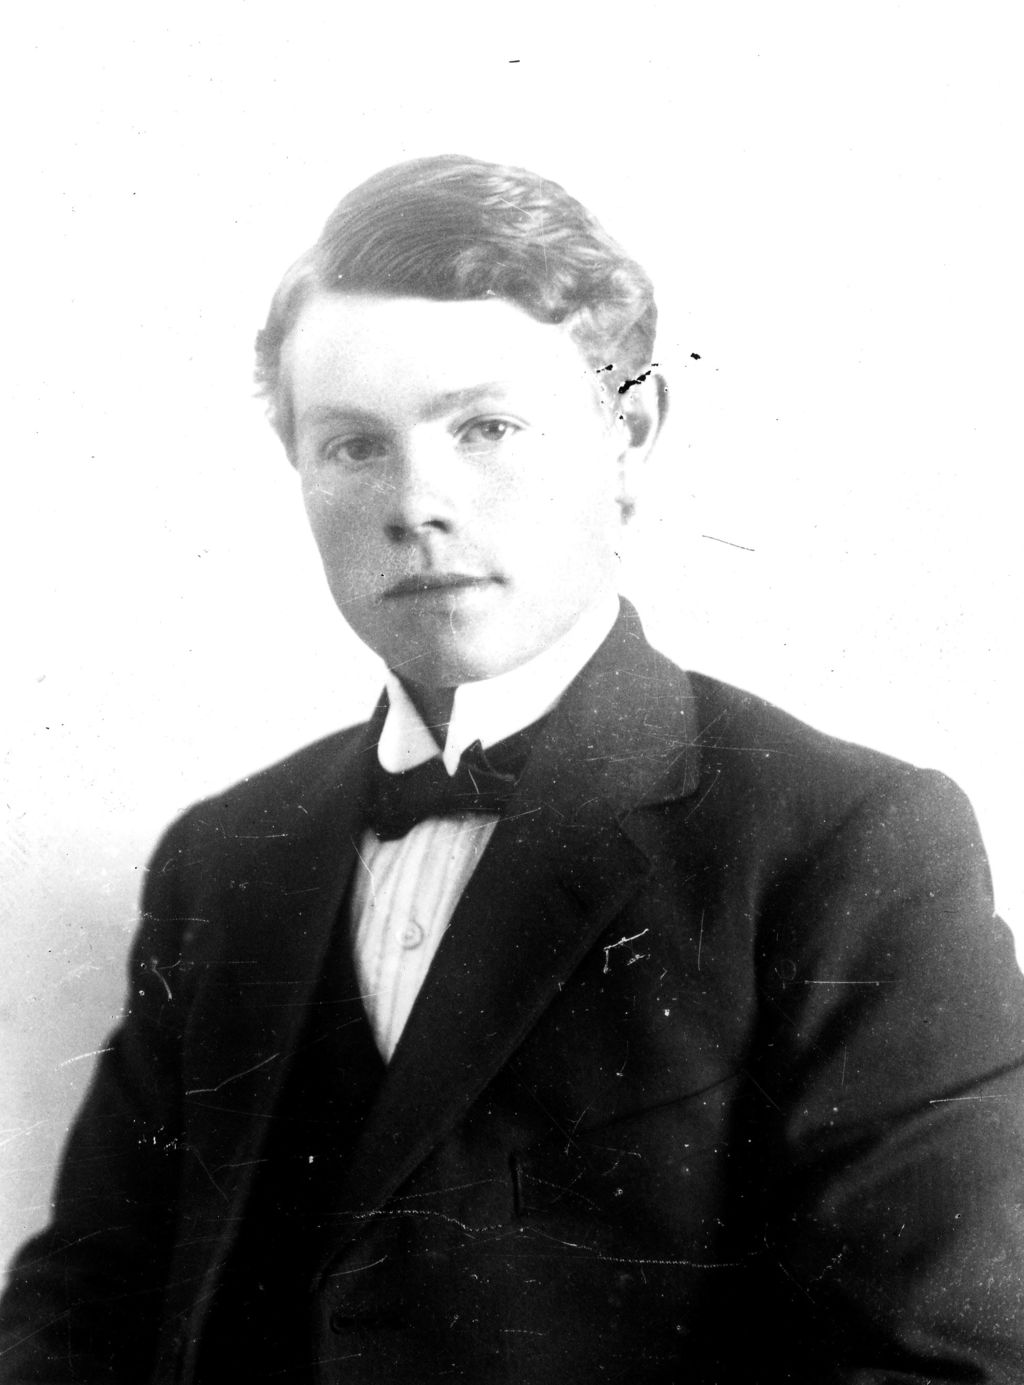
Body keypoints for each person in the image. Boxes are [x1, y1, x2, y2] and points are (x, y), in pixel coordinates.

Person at [2, 154, 1023, 1385]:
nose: (416, 502)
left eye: (485, 428)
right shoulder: (223, 856)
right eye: (353, 445)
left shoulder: (849, 840)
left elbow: (940, 1363)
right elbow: (78, 1312)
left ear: (627, 435)